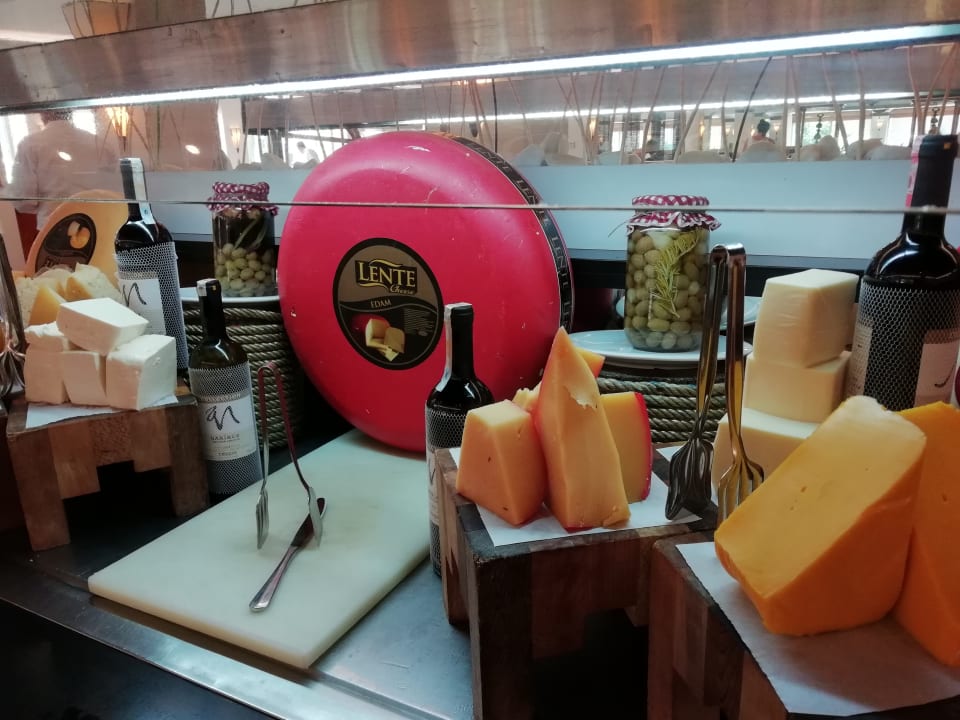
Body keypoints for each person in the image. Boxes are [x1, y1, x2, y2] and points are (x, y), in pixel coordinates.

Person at [6, 109, 118, 228]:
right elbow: (114, 191)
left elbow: (23, 200)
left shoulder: (29, 145)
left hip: (55, 227)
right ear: (70, 111)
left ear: (43, 113)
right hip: (98, 223)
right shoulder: (100, 143)